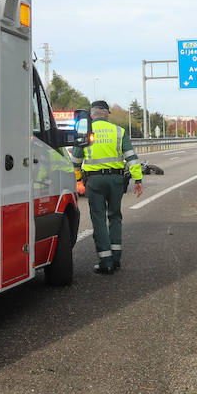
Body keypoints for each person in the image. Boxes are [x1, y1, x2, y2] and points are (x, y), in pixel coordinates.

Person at [71, 101, 144, 274]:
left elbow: (75, 160)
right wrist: (138, 179)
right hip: (116, 179)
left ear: (92, 114)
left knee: (98, 219)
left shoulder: (85, 131)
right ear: (106, 113)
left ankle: (106, 261)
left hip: (94, 181)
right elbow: (131, 157)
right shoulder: (119, 131)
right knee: (115, 216)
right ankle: (116, 257)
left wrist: (78, 180)